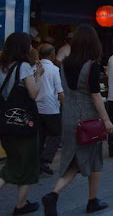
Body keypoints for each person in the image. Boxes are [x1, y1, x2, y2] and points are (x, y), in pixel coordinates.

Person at [41, 25, 113, 215]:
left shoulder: (64, 65)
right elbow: (96, 96)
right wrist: (106, 120)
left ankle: (57, 194)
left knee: (73, 159)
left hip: (68, 117)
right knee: (94, 158)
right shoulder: (92, 66)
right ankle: (89, 200)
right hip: (88, 120)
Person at [0, 32, 43, 215]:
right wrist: (38, 76)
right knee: (24, 165)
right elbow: (33, 94)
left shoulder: (2, 66)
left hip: (5, 124)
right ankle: (20, 205)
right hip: (22, 124)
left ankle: (22, 203)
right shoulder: (23, 66)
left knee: (13, 161)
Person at [36, 44, 65, 176]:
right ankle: (45, 159)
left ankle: (38, 162)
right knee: (56, 134)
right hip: (50, 107)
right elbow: (59, 91)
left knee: (40, 136)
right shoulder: (53, 69)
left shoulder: (33, 67)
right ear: (52, 55)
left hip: (36, 107)